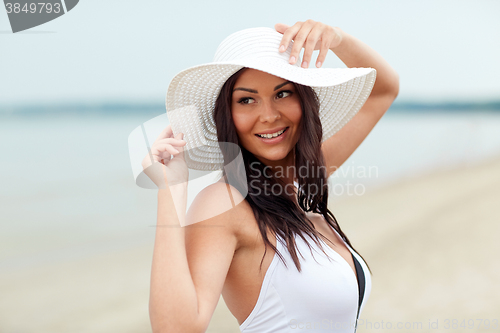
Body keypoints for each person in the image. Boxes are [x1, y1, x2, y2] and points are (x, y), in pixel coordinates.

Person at [141, 20, 399, 333]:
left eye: (283, 93)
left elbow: (383, 89)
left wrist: (336, 38)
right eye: (246, 99)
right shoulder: (225, 203)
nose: (268, 115)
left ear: (304, 101)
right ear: (228, 115)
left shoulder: (304, 178)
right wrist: (170, 190)